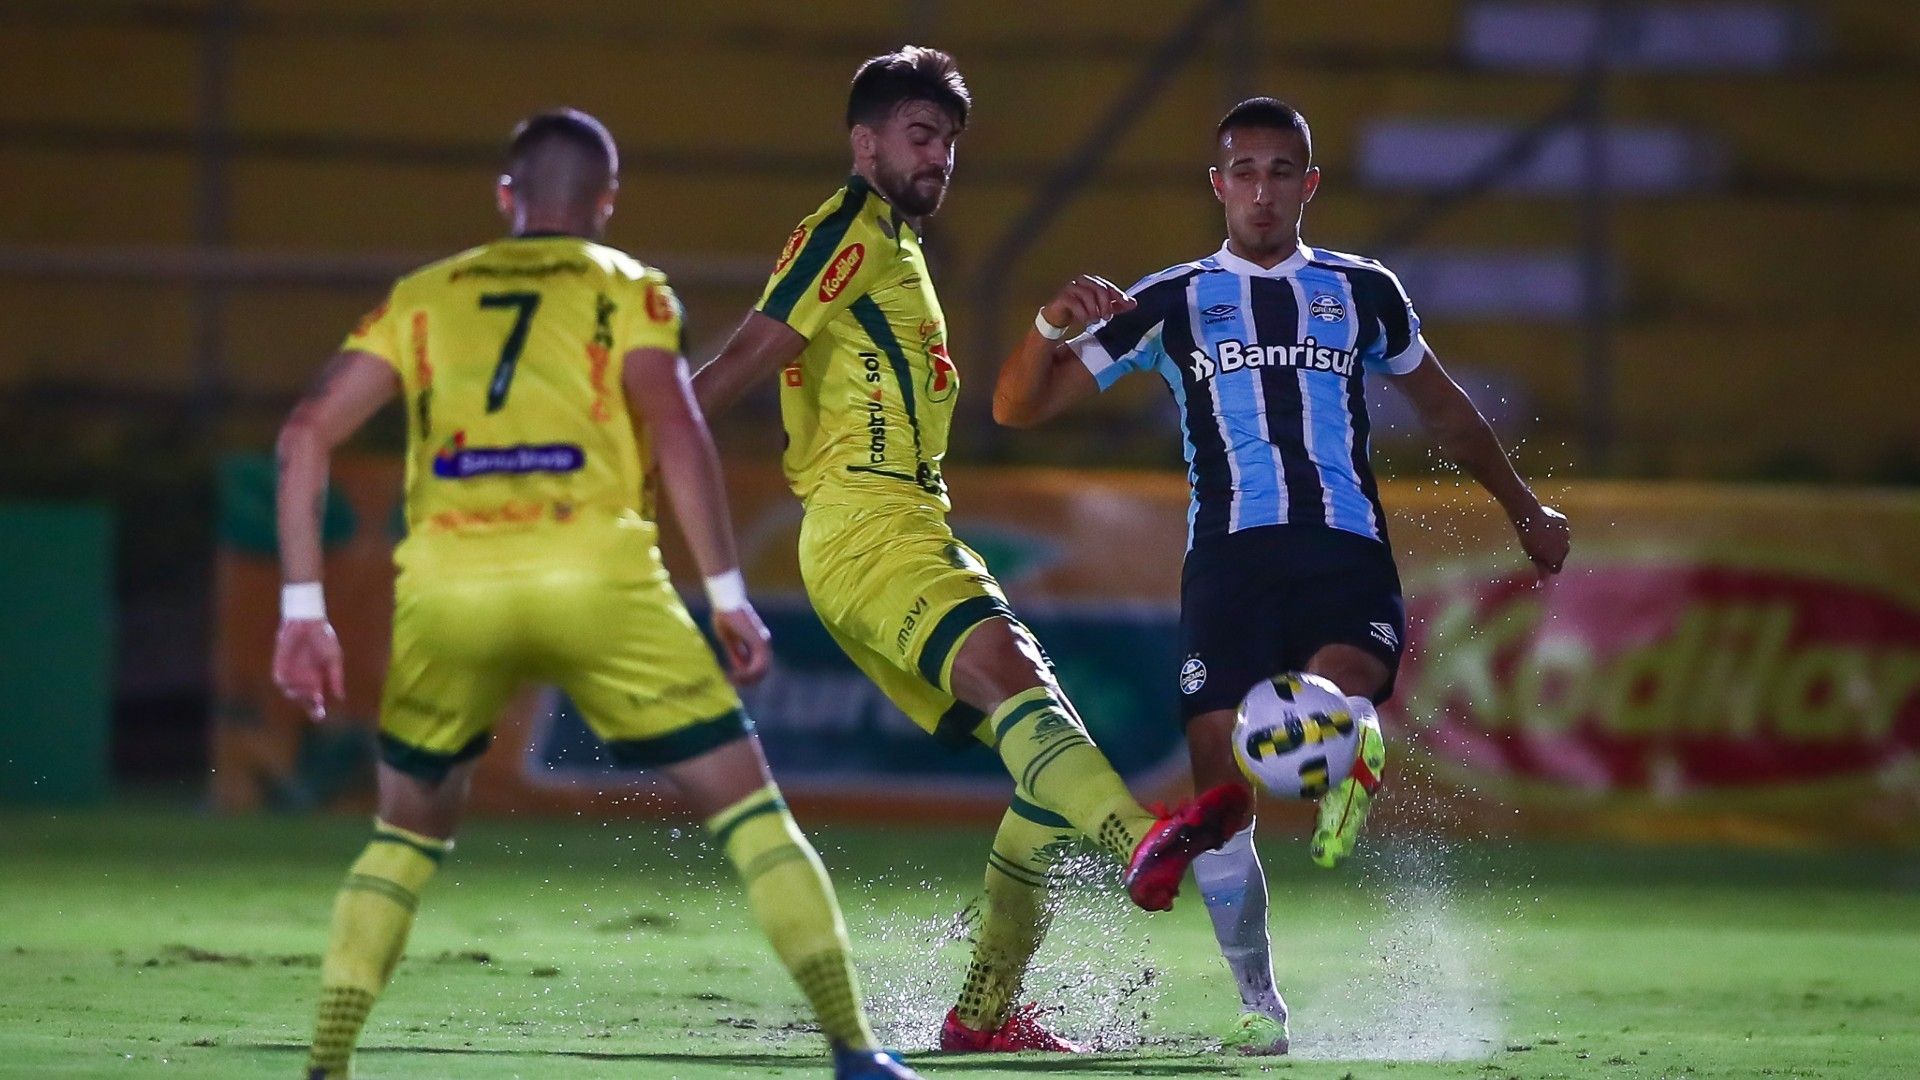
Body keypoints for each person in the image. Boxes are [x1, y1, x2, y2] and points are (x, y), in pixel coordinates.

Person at [271, 109, 918, 1080]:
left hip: (453, 588)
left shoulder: (423, 295)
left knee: (405, 836)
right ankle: (855, 1053)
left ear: (506, 197)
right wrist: (729, 593)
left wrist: (302, 612)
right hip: (597, 578)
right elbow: (678, 426)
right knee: (751, 816)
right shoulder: (630, 290)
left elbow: (304, 435)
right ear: (606, 204)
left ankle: (326, 1065)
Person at [692, 47, 1250, 1055]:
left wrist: (1043, 324)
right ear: (864, 142)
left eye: (948, 140)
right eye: (919, 135)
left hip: (904, 525)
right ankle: (1137, 841)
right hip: (869, 525)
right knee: (1011, 675)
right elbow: (746, 357)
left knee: (1045, 749)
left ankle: (982, 1013)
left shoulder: (900, 252)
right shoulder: (846, 233)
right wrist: (644, 449)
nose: (939, 155)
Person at [991, 97, 1572, 1055]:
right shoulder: (1168, 302)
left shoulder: (1362, 290)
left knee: (1323, 694)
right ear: (1218, 185)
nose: (1262, 191)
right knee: (1224, 794)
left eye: (1280, 171)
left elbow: (1446, 411)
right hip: (1227, 562)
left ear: (1310, 184)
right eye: (1243, 171)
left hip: (1341, 545)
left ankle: (1349, 735)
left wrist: (1524, 507)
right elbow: (1018, 407)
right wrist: (1048, 322)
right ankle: (1260, 1008)